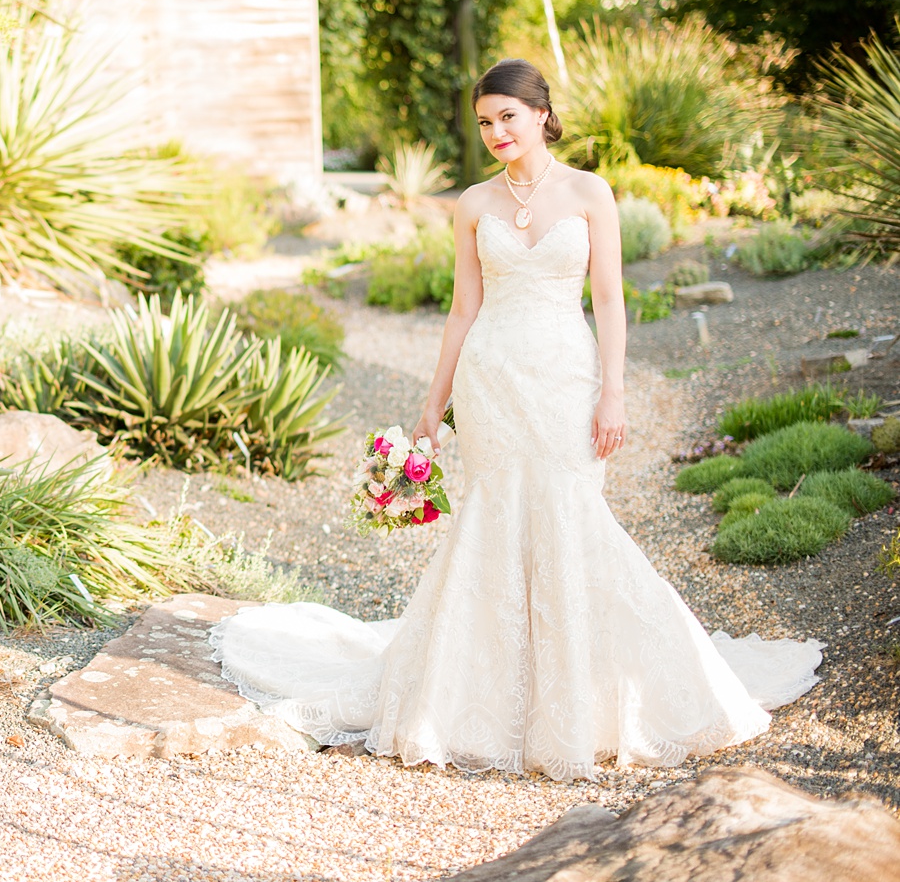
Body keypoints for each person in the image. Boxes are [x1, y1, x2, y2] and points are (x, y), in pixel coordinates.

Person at [210, 58, 822, 781]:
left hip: (567, 376)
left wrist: (614, 392)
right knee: (496, 520)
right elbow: (463, 307)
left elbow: (611, 301)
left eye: (508, 116)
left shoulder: (591, 193)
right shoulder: (472, 203)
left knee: (573, 514)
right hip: (492, 382)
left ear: (541, 113)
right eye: (485, 122)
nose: (496, 131)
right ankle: (478, 700)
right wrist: (431, 406)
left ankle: (582, 699)